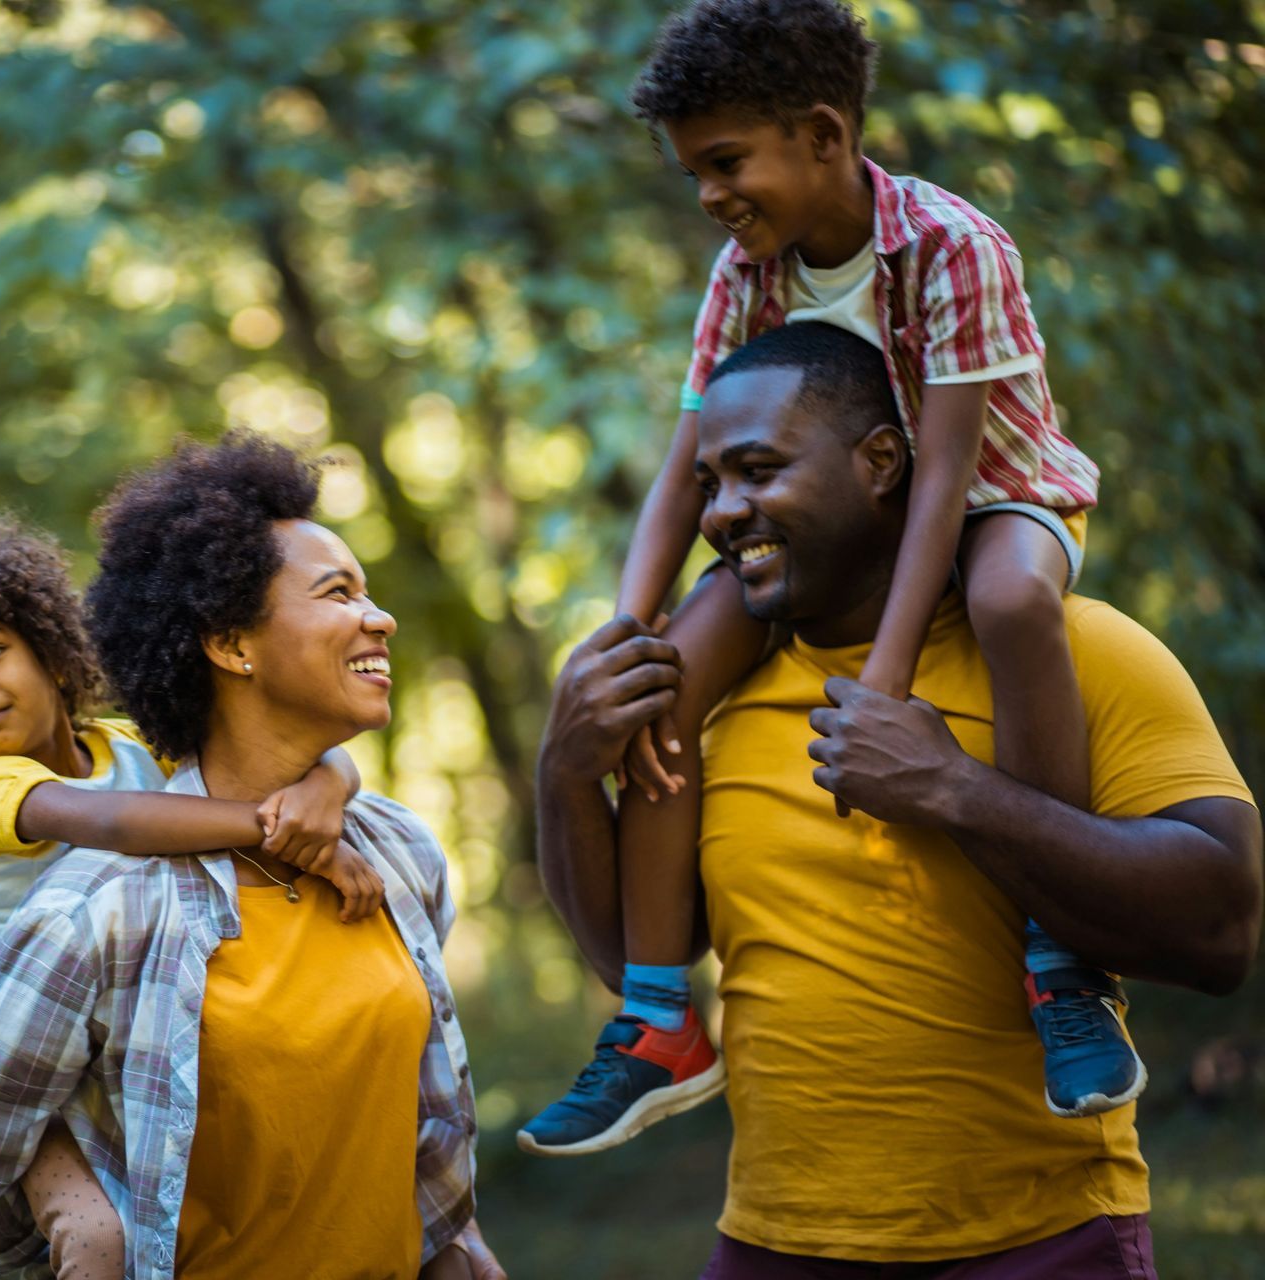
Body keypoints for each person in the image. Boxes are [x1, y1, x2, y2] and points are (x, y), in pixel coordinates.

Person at [523, 0, 1126, 1156]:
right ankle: (657, 1019)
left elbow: (946, 470)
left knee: (1007, 599)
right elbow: (679, 472)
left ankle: (1064, 969)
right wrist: (626, 629)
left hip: (999, 494)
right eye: (694, 169)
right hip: (834, 530)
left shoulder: (954, 245)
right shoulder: (745, 273)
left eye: (726, 162)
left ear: (823, 135)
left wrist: (884, 684)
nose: (710, 193)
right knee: (662, 680)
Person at [536, 321, 1260, 1274]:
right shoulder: (704, 698)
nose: (721, 513)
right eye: (709, 485)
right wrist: (565, 773)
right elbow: (628, 959)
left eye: (759, 470)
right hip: (769, 1247)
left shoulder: (1071, 650)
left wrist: (957, 789)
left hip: (1044, 1245)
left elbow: (1223, 933)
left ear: (881, 462)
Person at [0, 434, 504, 1280]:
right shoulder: (79, 891)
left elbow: (420, 1124)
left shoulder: (395, 853)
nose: (379, 615)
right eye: (338, 592)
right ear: (229, 643)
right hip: (29, 1043)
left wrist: (455, 1246)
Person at [0, 512, 384, 1279]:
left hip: (132, 1037)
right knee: (103, 1244)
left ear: (55, 657)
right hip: (39, 1066)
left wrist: (326, 790)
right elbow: (114, 822)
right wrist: (280, 831)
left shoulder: (128, 741)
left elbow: (295, 754)